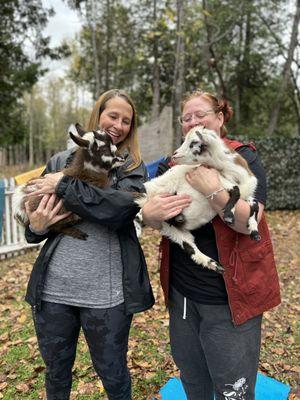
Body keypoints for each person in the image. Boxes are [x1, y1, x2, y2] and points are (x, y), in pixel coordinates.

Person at [142, 90, 281, 400]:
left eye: (200, 114)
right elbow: (162, 220)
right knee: (193, 380)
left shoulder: (243, 157)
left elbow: (248, 223)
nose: (193, 121)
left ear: (219, 119)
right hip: (183, 295)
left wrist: (213, 191)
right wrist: (149, 215)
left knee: (233, 388)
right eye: (186, 118)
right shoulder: (173, 163)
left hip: (230, 298)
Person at [24, 89, 155, 400]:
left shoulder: (131, 168)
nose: (119, 125)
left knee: (112, 373)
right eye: (113, 116)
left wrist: (65, 184)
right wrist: (35, 225)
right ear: (98, 115)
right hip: (54, 289)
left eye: (126, 120)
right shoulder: (61, 160)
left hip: (107, 295)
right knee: (56, 372)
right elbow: (34, 219)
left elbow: (121, 210)